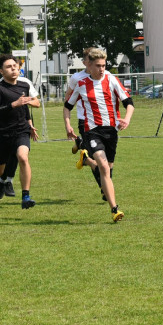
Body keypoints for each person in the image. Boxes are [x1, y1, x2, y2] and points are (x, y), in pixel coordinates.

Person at [63, 48, 134, 222]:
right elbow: (67, 106)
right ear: (89, 65)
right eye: (98, 65)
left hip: (111, 131)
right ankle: (114, 209)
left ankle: (85, 158)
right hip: (91, 130)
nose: (101, 69)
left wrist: (126, 119)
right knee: (103, 166)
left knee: (108, 168)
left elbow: (129, 103)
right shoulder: (81, 83)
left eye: (103, 65)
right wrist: (68, 126)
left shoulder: (111, 79)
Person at [0, 54, 41, 209]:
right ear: (1, 71)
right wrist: (15, 104)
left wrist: (30, 122)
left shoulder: (25, 84)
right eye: (9, 67)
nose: (13, 68)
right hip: (3, 134)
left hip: (22, 131)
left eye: (15, 66)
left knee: (23, 157)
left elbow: (36, 103)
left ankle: (26, 196)